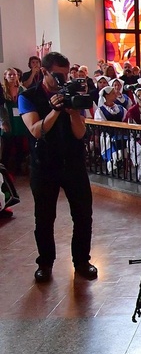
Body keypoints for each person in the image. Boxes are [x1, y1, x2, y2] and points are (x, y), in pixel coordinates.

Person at [18, 52, 98, 283]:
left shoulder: (72, 95)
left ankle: (82, 261)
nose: (63, 80)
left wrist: (72, 111)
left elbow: (80, 133)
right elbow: (35, 130)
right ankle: (45, 263)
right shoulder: (29, 96)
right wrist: (55, 110)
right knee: (44, 217)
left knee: (83, 215)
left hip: (73, 163)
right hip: (44, 166)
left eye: (66, 74)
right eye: (58, 75)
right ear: (44, 72)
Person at [1, 68, 30, 175]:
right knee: (7, 147)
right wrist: (2, 122)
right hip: (8, 120)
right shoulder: (2, 90)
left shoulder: (22, 89)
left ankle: (18, 169)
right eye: (10, 75)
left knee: (20, 146)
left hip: (20, 121)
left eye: (14, 74)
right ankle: (4, 171)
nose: (12, 77)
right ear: (5, 76)